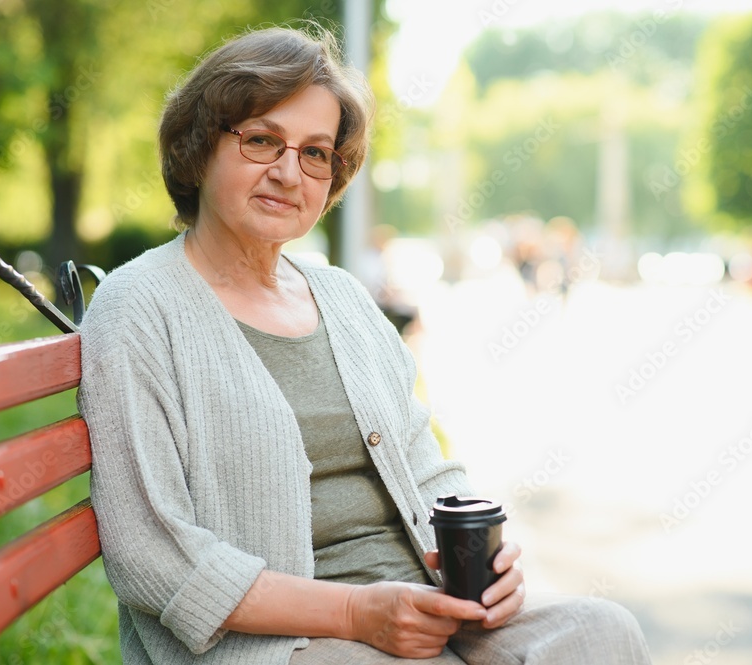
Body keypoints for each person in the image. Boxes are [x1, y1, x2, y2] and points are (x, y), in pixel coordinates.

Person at [78, 24, 653, 665]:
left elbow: (425, 465)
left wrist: (481, 561)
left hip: (418, 604)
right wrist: (358, 613)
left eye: (316, 153)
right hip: (276, 638)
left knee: (603, 633)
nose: (288, 172)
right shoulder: (139, 308)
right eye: (262, 140)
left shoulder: (344, 299)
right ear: (199, 147)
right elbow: (150, 555)